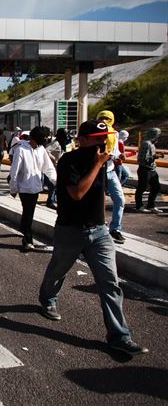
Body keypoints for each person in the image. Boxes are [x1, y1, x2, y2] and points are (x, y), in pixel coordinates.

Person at [38, 120, 148, 357]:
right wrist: (97, 165)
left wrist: (105, 165)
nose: (103, 143)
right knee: (58, 271)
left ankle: (120, 336)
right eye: (98, 139)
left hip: (99, 232)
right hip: (70, 231)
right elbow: (77, 193)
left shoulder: (103, 162)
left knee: (110, 283)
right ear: (84, 140)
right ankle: (47, 298)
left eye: (105, 138)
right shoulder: (69, 161)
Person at [9, 126, 57, 252]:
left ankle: (24, 228)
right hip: (24, 188)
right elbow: (14, 171)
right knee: (28, 213)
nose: (46, 140)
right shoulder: (21, 149)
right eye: (44, 138)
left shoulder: (41, 150)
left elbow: (48, 168)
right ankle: (27, 239)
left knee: (28, 212)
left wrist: (56, 182)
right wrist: (13, 188)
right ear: (36, 138)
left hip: (36, 187)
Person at [96, 111, 126, 244]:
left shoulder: (114, 134)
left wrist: (119, 156)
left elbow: (115, 152)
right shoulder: (95, 132)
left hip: (110, 170)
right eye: (101, 118)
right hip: (97, 171)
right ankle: (99, 226)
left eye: (107, 118)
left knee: (120, 199)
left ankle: (115, 229)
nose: (104, 121)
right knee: (98, 201)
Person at [135, 127, 164, 213]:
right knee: (142, 187)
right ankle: (139, 206)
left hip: (151, 169)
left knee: (156, 187)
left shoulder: (152, 144)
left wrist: (156, 155)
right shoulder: (146, 144)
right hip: (145, 169)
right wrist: (155, 156)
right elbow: (143, 158)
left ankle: (151, 206)